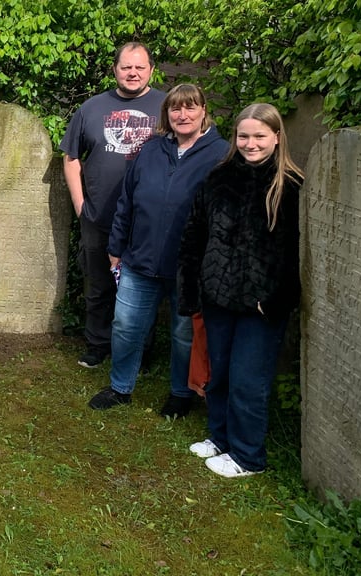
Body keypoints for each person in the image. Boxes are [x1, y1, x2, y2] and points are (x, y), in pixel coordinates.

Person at [177, 103, 303, 477]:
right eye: (243, 136)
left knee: (249, 380)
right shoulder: (218, 179)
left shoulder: (290, 186)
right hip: (218, 294)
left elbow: (297, 251)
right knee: (220, 373)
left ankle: (248, 456)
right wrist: (192, 286)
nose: (250, 144)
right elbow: (195, 233)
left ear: (276, 138)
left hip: (260, 304)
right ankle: (221, 437)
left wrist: (279, 297)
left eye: (259, 136)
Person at [88, 84, 228, 416]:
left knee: (182, 334)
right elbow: (126, 201)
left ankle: (181, 393)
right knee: (125, 325)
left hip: (188, 266)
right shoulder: (151, 150)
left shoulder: (220, 154)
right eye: (176, 109)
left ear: (204, 111)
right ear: (167, 114)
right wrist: (116, 246)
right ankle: (120, 387)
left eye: (190, 108)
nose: (183, 115)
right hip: (139, 259)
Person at [59, 42, 167, 368]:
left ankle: (141, 350)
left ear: (151, 70)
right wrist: (80, 205)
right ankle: (97, 344)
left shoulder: (166, 106)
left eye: (139, 67)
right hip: (98, 214)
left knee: (144, 286)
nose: (132, 73)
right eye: (125, 67)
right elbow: (70, 157)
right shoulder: (91, 108)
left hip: (147, 218)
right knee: (99, 285)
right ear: (115, 69)